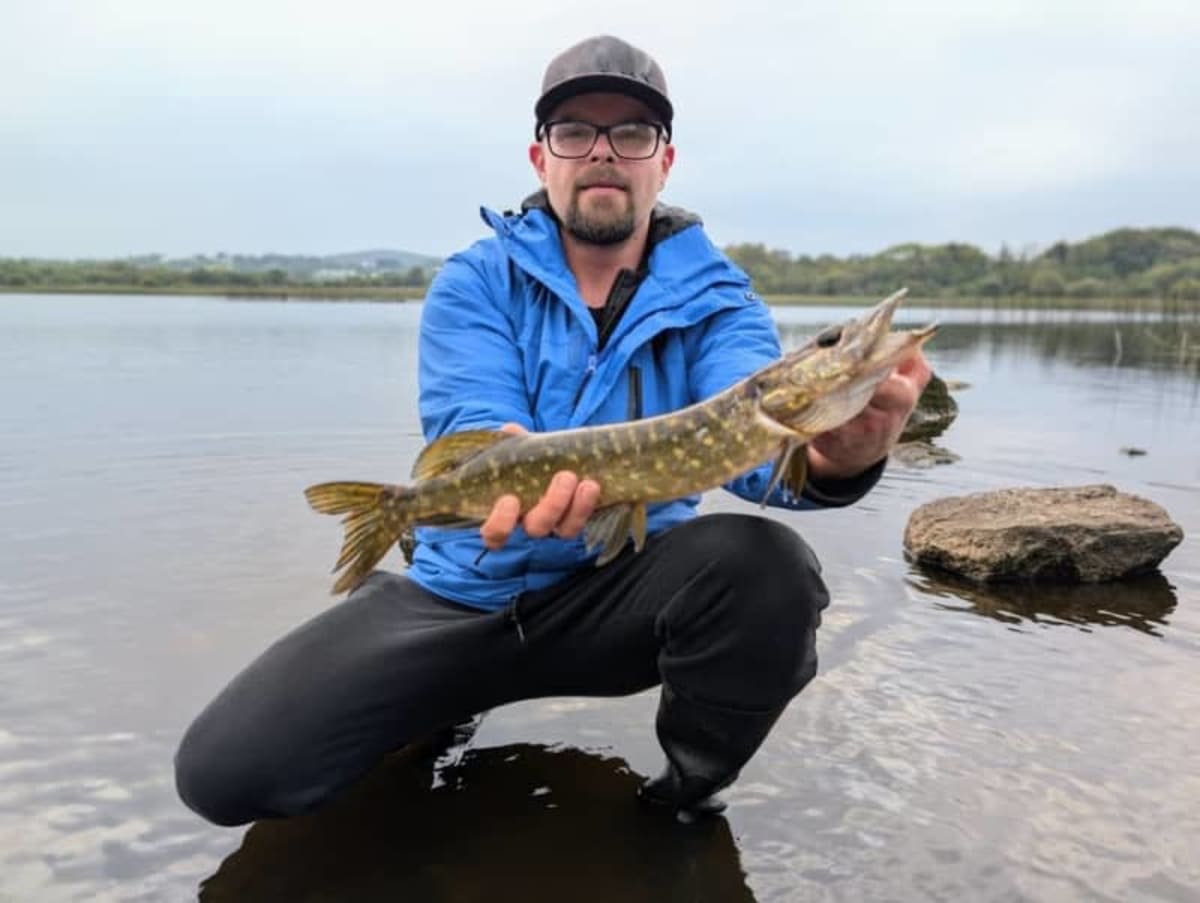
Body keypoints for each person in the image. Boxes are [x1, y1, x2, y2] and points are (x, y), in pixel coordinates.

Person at [174, 34, 931, 826]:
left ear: (663, 162)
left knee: (767, 568)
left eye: (632, 133)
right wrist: (497, 465)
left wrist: (841, 457)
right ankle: (434, 702)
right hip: (464, 589)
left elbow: (757, 468)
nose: (604, 152)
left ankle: (684, 798)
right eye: (577, 131)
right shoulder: (475, 279)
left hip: (617, 599)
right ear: (542, 158)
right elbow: (469, 424)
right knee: (223, 771)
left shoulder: (724, 304)